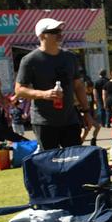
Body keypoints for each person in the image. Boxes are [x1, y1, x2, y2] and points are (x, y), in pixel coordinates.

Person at [14, 18, 93, 150]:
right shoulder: (30, 60)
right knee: (50, 162)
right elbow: (19, 90)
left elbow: (78, 86)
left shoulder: (70, 57)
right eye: (55, 31)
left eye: (60, 31)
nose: (60, 34)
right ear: (42, 35)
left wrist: (86, 112)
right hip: (44, 122)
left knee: (75, 159)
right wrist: (44, 94)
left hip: (70, 119)